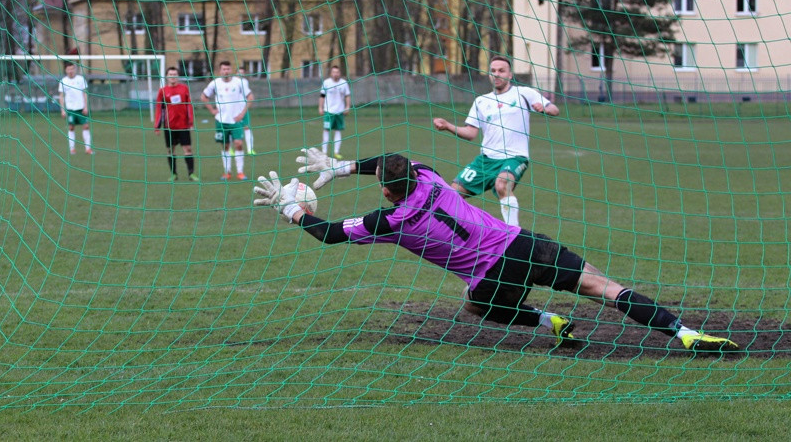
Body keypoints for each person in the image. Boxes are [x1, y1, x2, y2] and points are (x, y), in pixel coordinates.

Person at [252, 148, 739, 353]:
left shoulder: (389, 221)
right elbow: (390, 160)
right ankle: (687, 334)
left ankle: (549, 322)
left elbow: (332, 234)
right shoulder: (428, 175)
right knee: (602, 285)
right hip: (523, 245)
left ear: (385, 190)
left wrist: (288, 208)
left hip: (490, 278)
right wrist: (343, 165)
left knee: (475, 308)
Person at [433, 55, 559, 227]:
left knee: (502, 184)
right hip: (486, 160)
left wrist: (544, 108)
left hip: (515, 157)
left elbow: (554, 109)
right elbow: (470, 133)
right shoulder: (481, 101)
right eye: (493, 71)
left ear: (509, 75)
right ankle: (464, 233)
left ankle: (514, 234)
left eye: (501, 70)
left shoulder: (524, 93)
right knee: (451, 195)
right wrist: (448, 126)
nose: (497, 74)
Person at [200, 60, 254, 181]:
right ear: (220, 71)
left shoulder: (239, 82)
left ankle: (240, 172)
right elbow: (203, 96)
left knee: (239, 144)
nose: (226, 71)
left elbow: (250, 97)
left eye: (228, 69)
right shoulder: (215, 83)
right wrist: (212, 110)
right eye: (224, 69)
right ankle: (227, 172)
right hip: (221, 120)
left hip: (236, 120)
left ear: (231, 70)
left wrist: (242, 113)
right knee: (225, 146)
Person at [154, 66, 198, 181]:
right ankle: (174, 174)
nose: (173, 77)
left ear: (177, 76)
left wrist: (191, 122)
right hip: (169, 126)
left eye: (174, 75)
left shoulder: (184, 89)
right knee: (170, 150)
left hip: (183, 125)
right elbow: (159, 108)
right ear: (167, 77)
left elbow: (189, 105)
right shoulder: (162, 91)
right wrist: (157, 126)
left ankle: (191, 174)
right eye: (170, 75)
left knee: (188, 149)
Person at [58, 63, 93, 155]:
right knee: (71, 127)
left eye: (72, 69)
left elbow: (84, 93)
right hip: (70, 109)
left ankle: (88, 149)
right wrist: (62, 109)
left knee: (86, 126)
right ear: (66, 70)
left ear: (75, 70)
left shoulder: (81, 79)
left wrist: (86, 106)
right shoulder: (63, 81)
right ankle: (72, 149)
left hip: (81, 108)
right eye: (69, 69)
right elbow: (61, 96)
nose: (71, 71)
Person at [319, 65, 351, 159]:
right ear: (331, 73)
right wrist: (320, 107)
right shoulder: (326, 83)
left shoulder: (344, 83)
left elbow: (347, 95)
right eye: (334, 72)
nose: (335, 74)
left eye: (337, 72)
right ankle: (324, 152)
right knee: (326, 130)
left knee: (338, 131)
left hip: (339, 111)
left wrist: (347, 106)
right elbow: (322, 95)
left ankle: (336, 152)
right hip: (328, 111)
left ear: (340, 73)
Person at [237, 68, 256, 156]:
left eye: (242, 73)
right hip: (233, 109)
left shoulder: (244, 82)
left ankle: (250, 149)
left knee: (247, 128)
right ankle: (230, 150)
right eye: (239, 72)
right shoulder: (232, 82)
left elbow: (248, 95)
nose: (241, 74)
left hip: (243, 109)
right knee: (232, 129)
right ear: (236, 73)